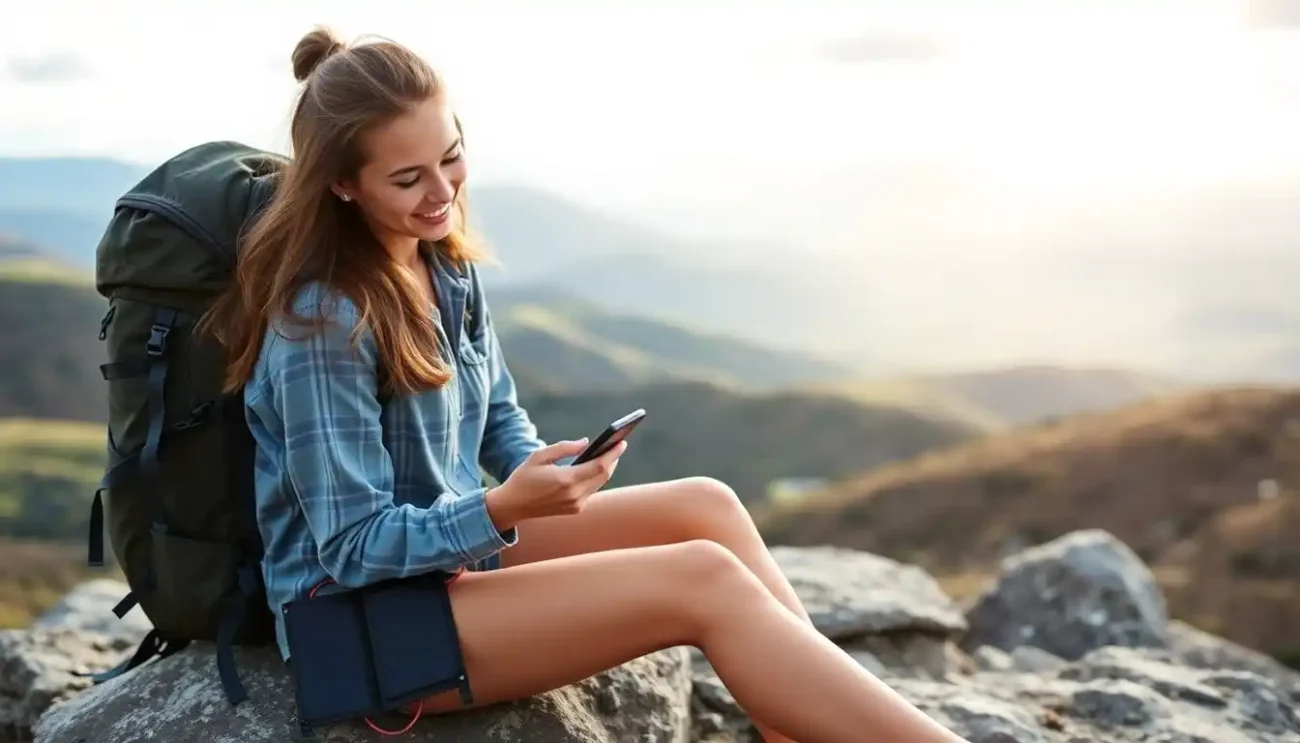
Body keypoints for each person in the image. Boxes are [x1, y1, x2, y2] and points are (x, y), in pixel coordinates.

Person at [202, 26, 970, 743]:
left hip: (443, 559)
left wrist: (556, 475)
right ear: (341, 184)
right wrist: (503, 507)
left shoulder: (439, 261)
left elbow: (497, 415)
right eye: (409, 178)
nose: (442, 190)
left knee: (706, 504)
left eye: (453, 156)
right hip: (359, 622)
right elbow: (352, 546)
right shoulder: (322, 322)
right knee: (701, 581)